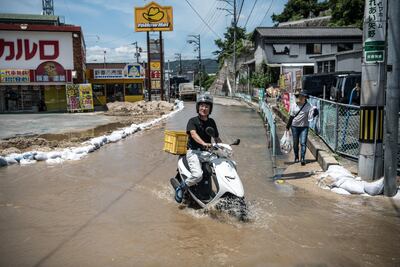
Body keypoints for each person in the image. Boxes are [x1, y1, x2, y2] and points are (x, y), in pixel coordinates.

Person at [175, 94, 222, 203]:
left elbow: (216, 137)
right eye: (202, 106)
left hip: (207, 153)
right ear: (198, 107)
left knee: (221, 168)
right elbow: (193, 134)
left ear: (210, 108)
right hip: (194, 152)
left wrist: (223, 147)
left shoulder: (212, 122)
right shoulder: (192, 121)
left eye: (206, 106)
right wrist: (204, 143)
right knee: (197, 175)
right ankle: (181, 187)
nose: (204, 109)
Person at [286, 91, 318, 166]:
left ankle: (303, 158)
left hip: (304, 127)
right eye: (299, 97)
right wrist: (287, 127)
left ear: (305, 98)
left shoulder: (309, 106)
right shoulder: (294, 105)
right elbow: (291, 117)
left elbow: (312, 115)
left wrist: (315, 112)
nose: (300, 98)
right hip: (294, 126)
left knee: (303, 143)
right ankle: (296, 157)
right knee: (295, 143)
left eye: (301, 97)